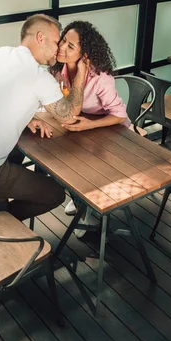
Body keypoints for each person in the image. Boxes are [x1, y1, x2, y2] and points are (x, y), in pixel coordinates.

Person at [0, 13, 89, 222]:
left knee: (17, 155)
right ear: (41, 38)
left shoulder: (0, 54)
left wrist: (28, 118)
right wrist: (81, 74)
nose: (59, 48)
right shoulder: (38, 77)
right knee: (55, 193)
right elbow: (69, 115)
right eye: (57, 41)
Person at [50, 20, 130, 234]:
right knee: (63, 158)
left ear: (85, 55)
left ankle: (89, 213)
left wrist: (89, 125)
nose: (61, 48)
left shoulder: (100, 78)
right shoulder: (60, 69)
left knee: (89, 167)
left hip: (110, 128)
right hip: (82, 125)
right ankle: (80, 202)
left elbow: (119, 115)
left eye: (70, 46)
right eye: (63, 40)